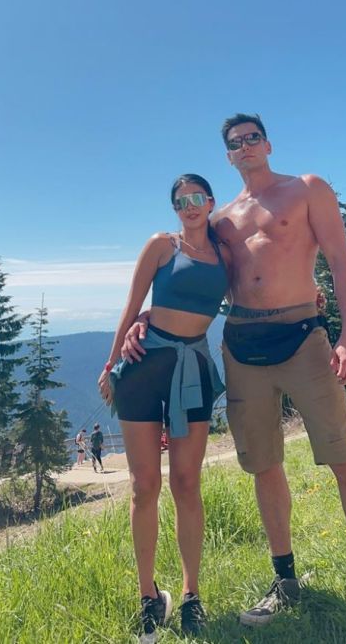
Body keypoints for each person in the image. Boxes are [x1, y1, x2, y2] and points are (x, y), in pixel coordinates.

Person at [122, 114, 346, 644]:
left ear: (268, 144)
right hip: (241, 344)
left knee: (345, 460)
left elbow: (340, 262)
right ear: (228, 156)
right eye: (235, 143)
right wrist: (145, 318)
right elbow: (194, 277)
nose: (245, 146)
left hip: (302, 336)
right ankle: (285, 581)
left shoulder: (307, 189)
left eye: (253, 138)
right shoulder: (222, 221)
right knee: (264, 466)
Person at [98, 174, 230, 642]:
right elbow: (132, 304)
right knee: (144, 486)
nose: (188, 206)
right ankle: (148, 597)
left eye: (196, 198)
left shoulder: (226, 254)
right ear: (174, 208)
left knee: (187, 483)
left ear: (210, 202)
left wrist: (307, 297)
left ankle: (192, 595)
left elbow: (253, 292)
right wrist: (111, 364)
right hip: (142, 366)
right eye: (180, 201)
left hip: (193, 367)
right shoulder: (161, 245)